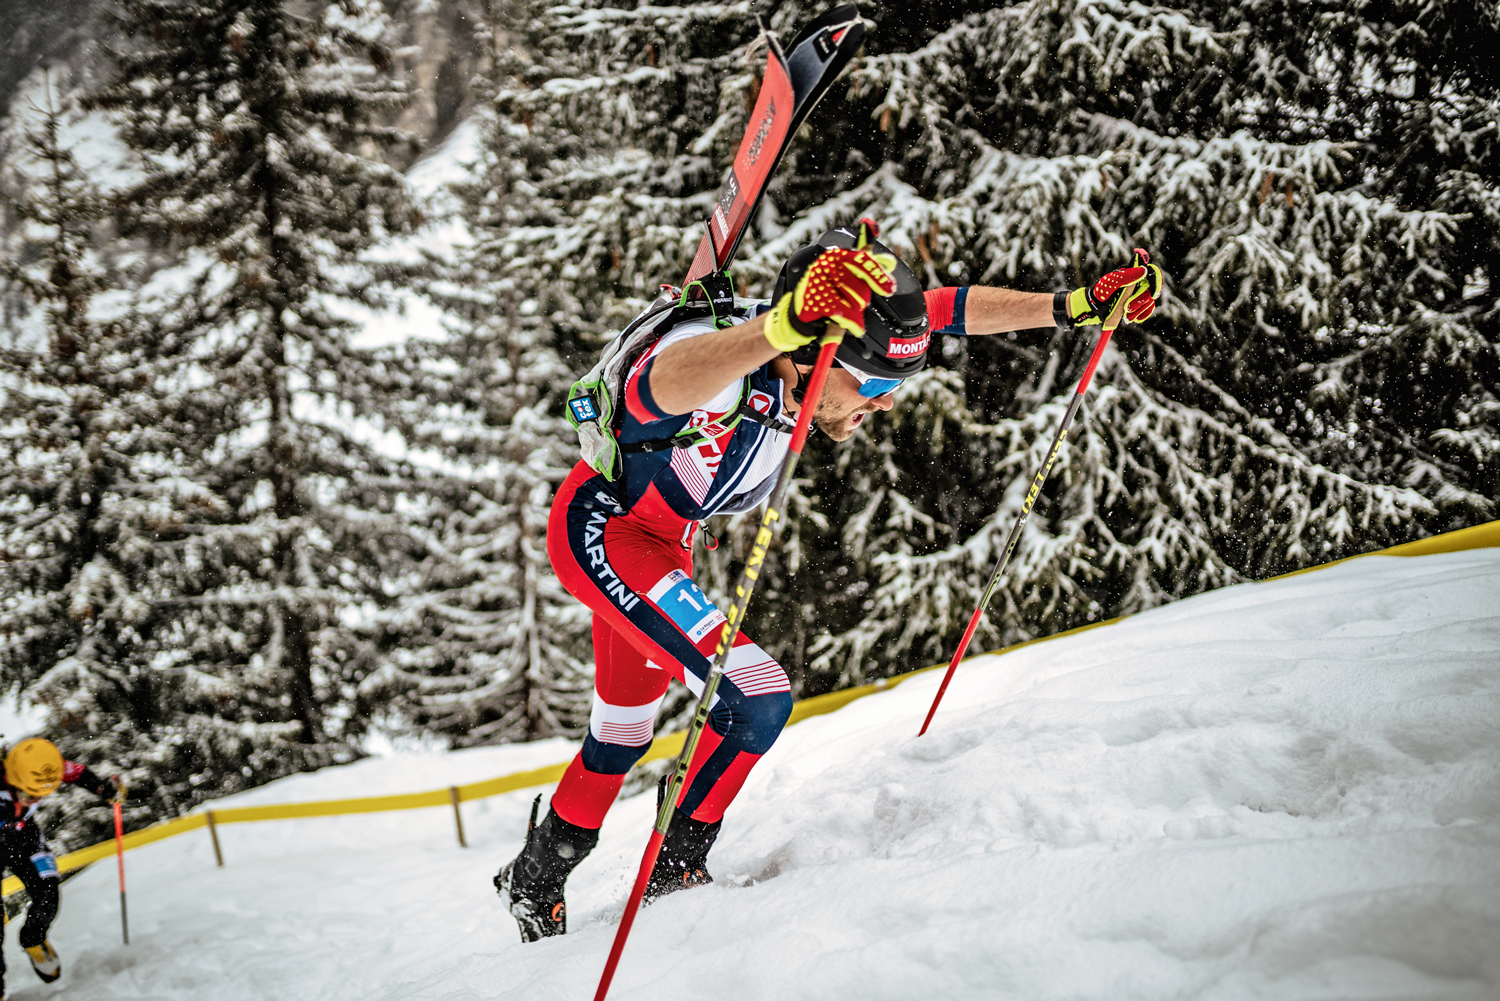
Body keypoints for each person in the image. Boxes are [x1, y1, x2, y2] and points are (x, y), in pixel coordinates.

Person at [496, 223, 1164, 941]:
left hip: (664, 543)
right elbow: (659, 382)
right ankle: (675, 870)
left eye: (895, 386)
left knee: (624, 729)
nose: (880, 404)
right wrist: (777, 330)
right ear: (813, 351)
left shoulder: (826, 341)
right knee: (755, 696)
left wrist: (1071, 307)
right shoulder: (738, 369)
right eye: (872, 385)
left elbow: (946, 309)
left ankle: (534, 875)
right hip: (606, 532)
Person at [0, 737, 120, 992]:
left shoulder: (41, 765)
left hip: (24, 837)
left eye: (41, 794)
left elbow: (78, 773)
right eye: (29, 794)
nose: (34, 800)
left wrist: (102, 789)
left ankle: (33, 939)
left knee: (48, 895)